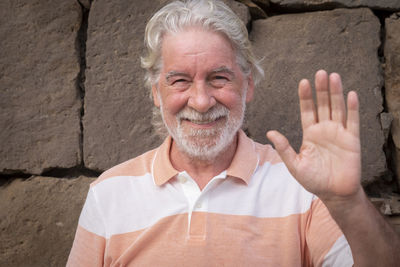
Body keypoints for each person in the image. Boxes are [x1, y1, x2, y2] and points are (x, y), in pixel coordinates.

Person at [67, 0, 400, 266]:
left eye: (219, 78)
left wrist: (348, 201)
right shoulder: (108, 194)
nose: (200, 102)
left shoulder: (304, 188)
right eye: (180, 80)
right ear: (156, 92)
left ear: (248, 85)